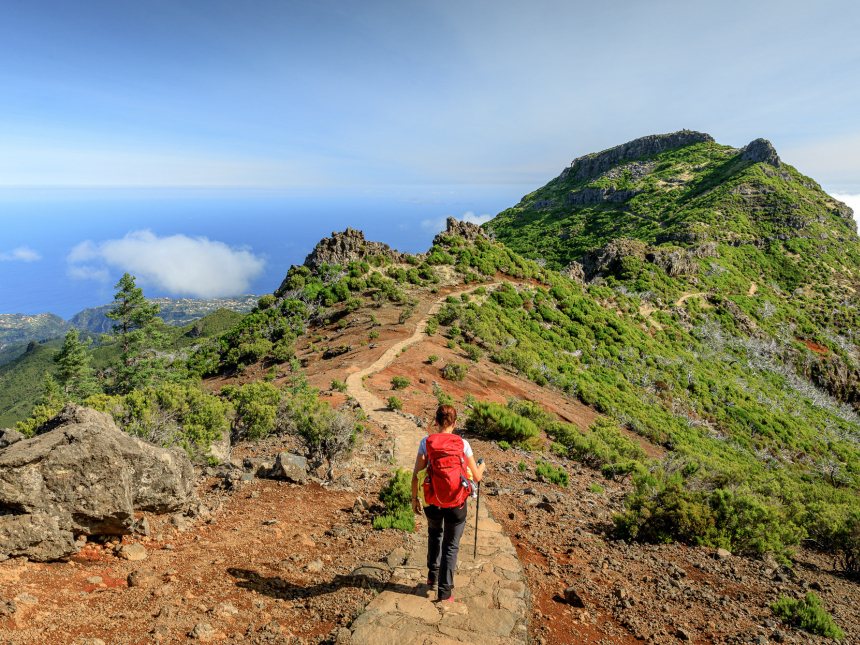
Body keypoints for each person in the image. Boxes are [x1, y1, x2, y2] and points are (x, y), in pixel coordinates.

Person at [411, 404, 486, 602]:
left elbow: (416, 475)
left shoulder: (426, 442)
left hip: (432, 501)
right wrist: (482, 466)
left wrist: (414, 499)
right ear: (455, 423)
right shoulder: (463, 444)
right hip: (456, 503)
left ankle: (431, 577)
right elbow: (476, 477)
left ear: (436, 421)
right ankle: (445, 593)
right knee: (451, 546)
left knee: (434, 534)